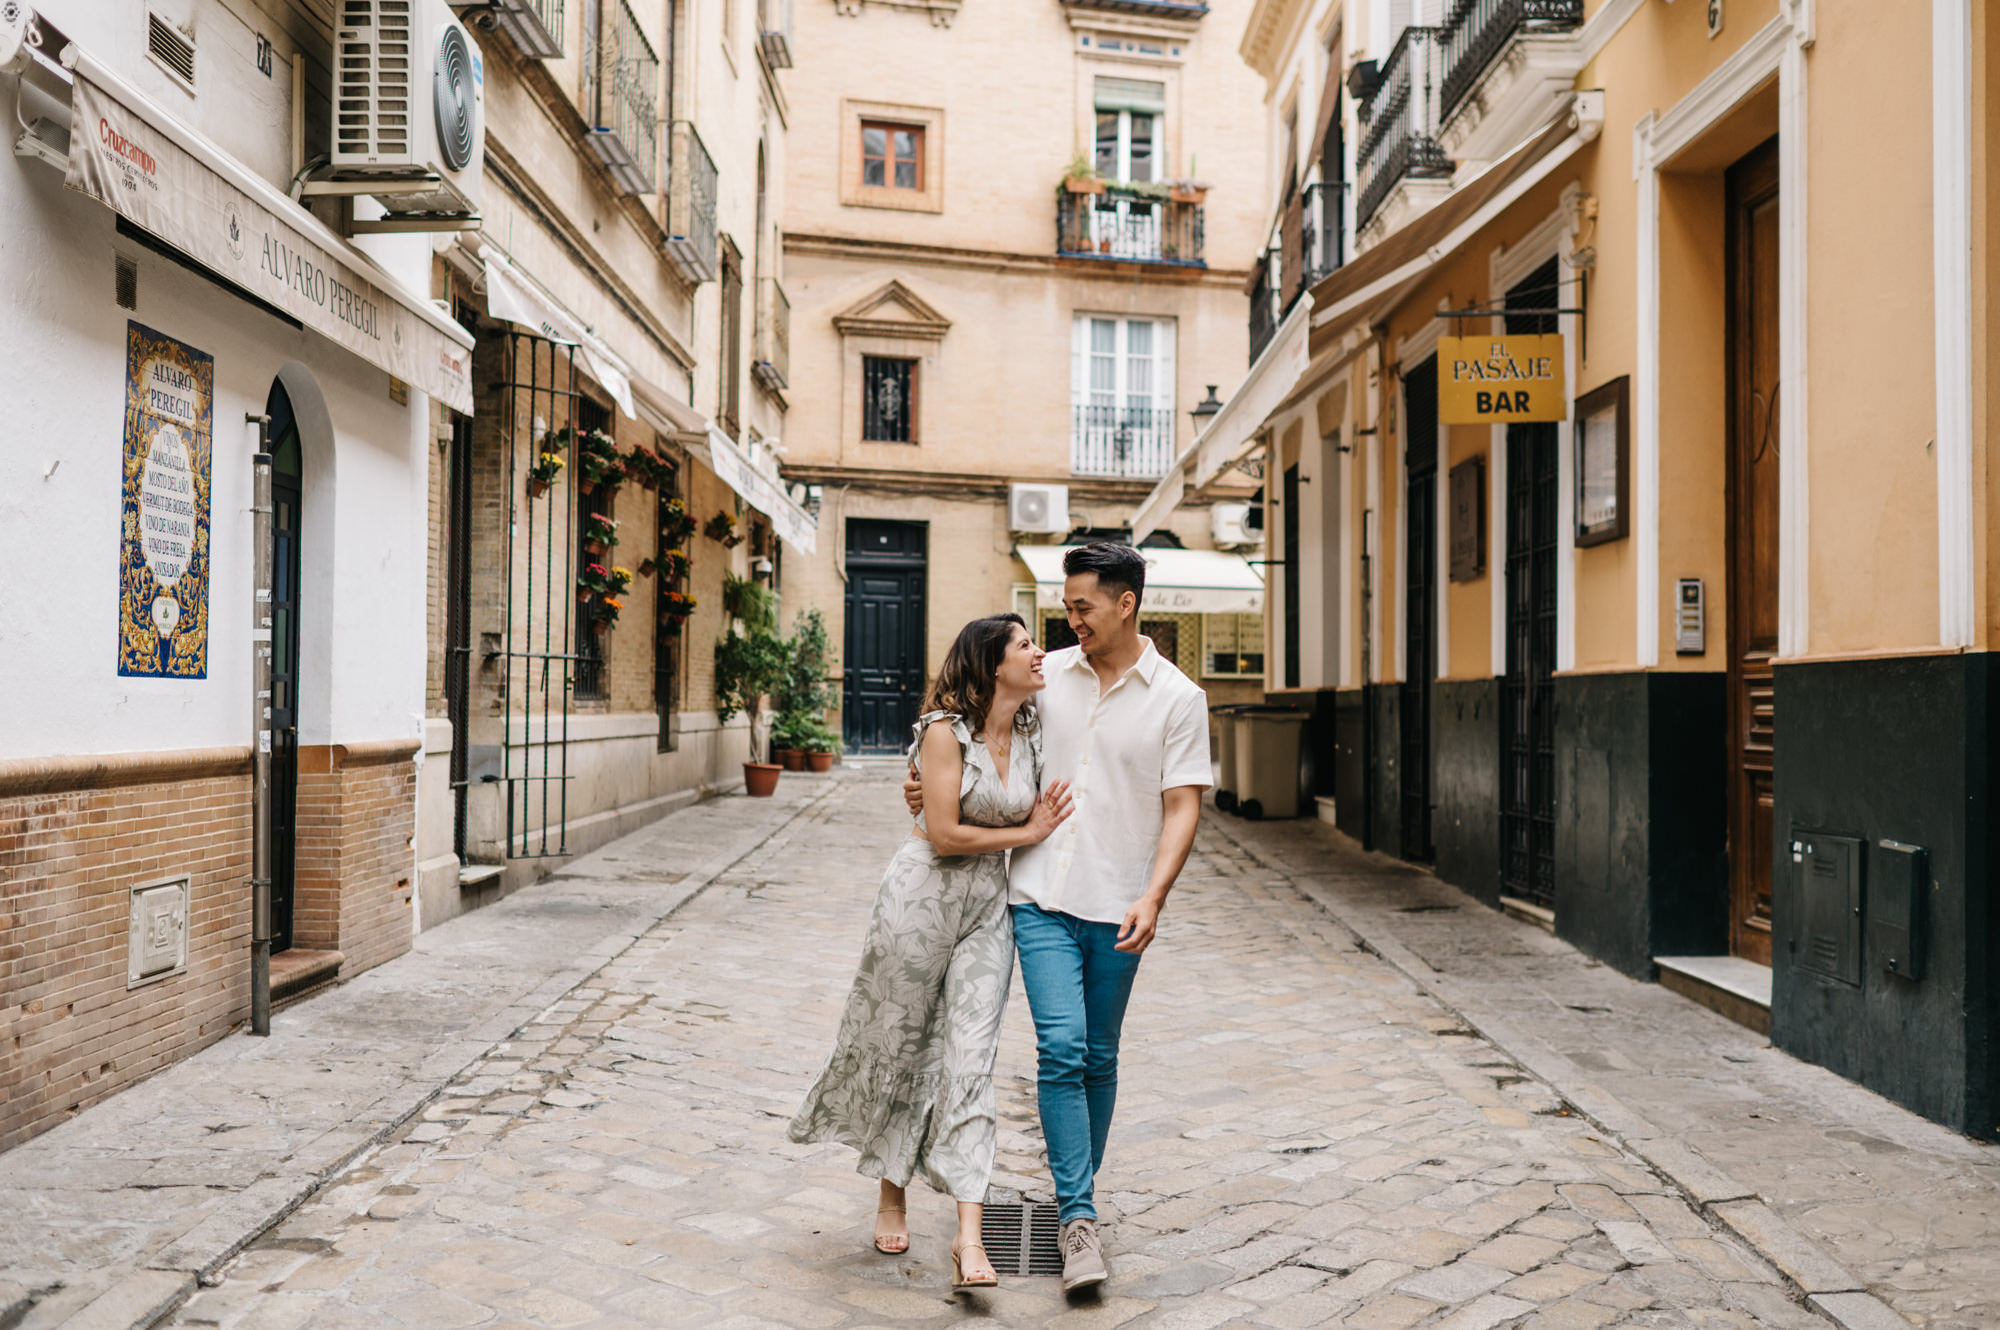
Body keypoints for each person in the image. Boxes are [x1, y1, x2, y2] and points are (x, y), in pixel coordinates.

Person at [905, 543, 1210, 1292]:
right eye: (1066, 606)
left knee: (1099, 1057)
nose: (1069, 619)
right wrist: (927, 788)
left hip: (1120, 902)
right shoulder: (1049, 681)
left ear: (1125, 604)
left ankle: (1078, 1194)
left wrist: (1154, 895)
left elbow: (1182, 805)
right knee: (1063, 1049)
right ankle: (1077, 1219)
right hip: (1039, 896)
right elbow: (975, 734)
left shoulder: (1179, 699)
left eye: (1082, 606)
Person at [789, 614, 1073, 1292]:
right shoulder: (944, 732)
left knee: (971, 1060)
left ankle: (969, 1237)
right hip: (919, 902)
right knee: (903, 1044)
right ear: (991, 663)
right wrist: (1027, 831)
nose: (1039, 653)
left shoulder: (1034, 727)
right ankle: (890, 1191)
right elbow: (944, 834)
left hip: (986, 911)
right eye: (1025, 644)